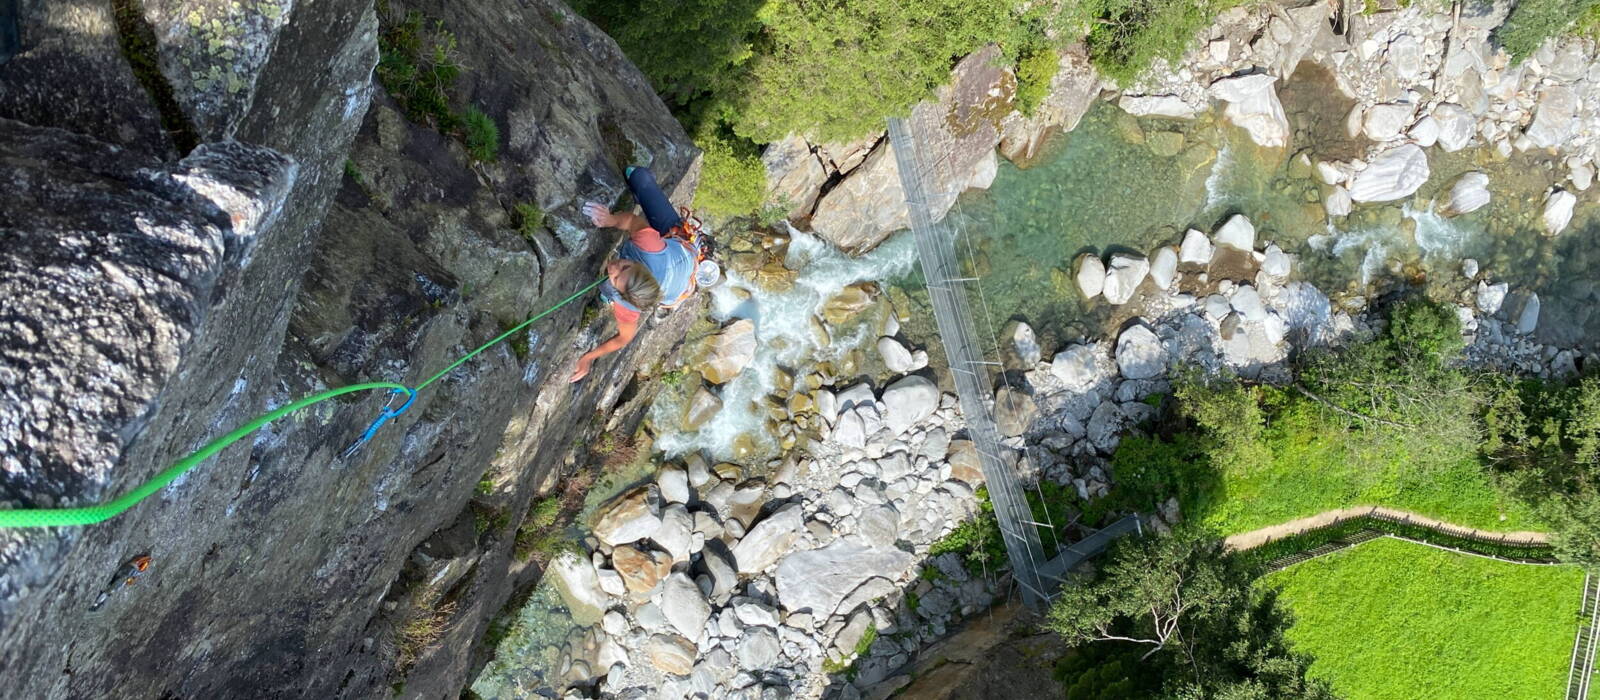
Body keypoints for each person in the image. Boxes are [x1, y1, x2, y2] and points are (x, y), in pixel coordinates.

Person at [570, 166, 701, 382]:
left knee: (606, 290)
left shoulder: (628, 306)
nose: (613, 268)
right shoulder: (649, 246)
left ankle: (608, 294)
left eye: (616, 276)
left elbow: (623, 338)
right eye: (625, 266)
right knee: (637, 176)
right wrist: (610, 219)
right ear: (641, 267)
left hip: (680, 280)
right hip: (678, 242)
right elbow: (631, 221)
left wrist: (589, 357)